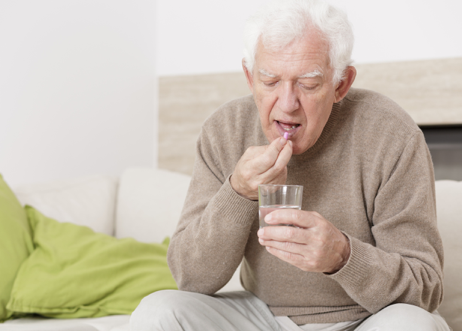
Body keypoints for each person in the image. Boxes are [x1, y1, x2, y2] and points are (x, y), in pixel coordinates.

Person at [130, 0, 450, 330]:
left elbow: (425, 290)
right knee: (158, 311)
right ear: (249, 76)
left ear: (340, 84)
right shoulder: (225, 130)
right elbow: (190, 277)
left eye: (308, 84)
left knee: (413, 324)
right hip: (260, 317)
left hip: (365, 319)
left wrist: (342, 255)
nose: (287, 104)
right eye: (269, 82)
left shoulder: (390, 133)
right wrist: (238, 193)